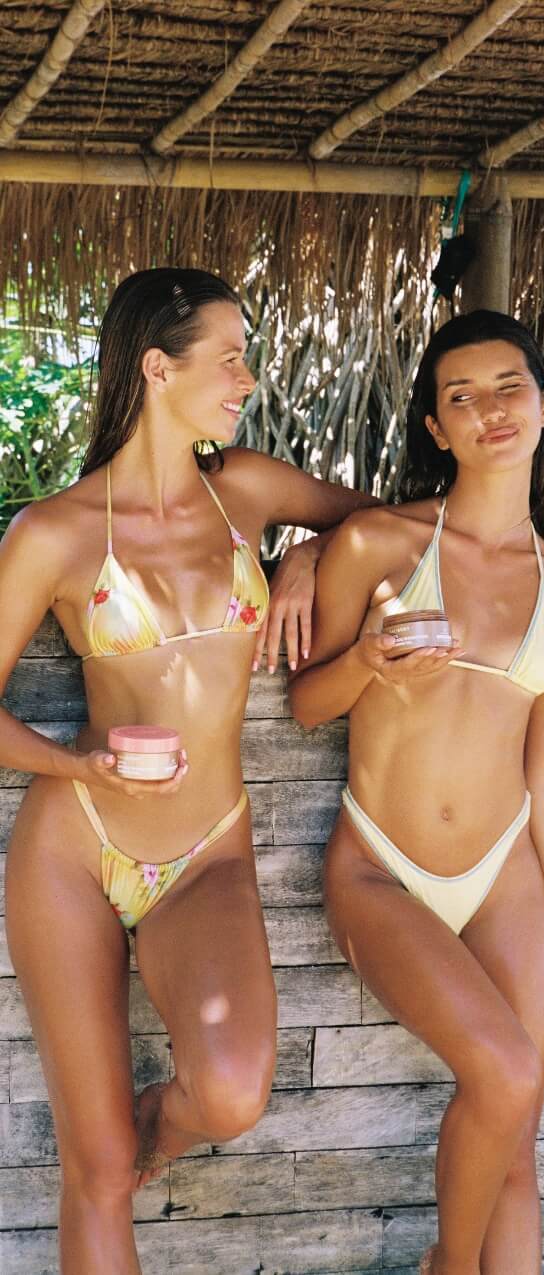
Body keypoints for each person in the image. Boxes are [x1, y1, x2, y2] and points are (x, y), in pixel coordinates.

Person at [0, 267, 378, 1271]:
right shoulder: (54, 532)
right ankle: (111, 1155)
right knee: (94, 1172)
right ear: (157, 367)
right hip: (76, 848)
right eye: (230, 358)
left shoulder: (244, 491)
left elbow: (390, 525)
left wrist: (308, 556)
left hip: (207, 850)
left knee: (230, 1093)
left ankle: (153, 1132)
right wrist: (77, 764)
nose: (248, 379)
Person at [288, 310, 544, 1275]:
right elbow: (307, 703)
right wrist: (368, 664)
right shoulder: (378, 544)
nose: (489, 410)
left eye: (509, 387)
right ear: (436, 426)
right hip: (379, 866)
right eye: (460, 397)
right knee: (503, 1075)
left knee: (517, 1141)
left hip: (503, 874)